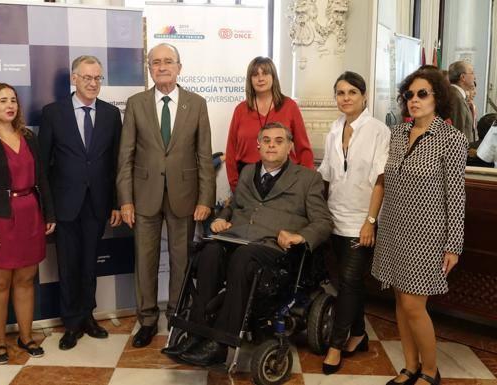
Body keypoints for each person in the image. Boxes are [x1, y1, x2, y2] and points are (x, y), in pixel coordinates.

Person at [162, 122, 332, 366]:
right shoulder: (247, 172)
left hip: (274, 249)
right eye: (267, 141)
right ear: (258, 145)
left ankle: (220, 343)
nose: (272, 145)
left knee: (244, 257)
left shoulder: (308, 179)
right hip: (238, 239)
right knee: (209, 251)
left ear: (290, 146)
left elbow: (323, 221)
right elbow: (233, 206)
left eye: (279, 141)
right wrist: (222, 218)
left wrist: (300, 236)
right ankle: (196, 332)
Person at [117, 43, 215, 348]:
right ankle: (147, 320)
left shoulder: (196, 104)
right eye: (156, 62)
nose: (162, 67)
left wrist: (205, 199)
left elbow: (204, 155)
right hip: (143, 197)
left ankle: (176, 316)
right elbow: (126, 155)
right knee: (144, 261)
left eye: (168, 62)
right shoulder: (136, 103)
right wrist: (125, 200)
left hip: (185, 196)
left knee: (181, 261)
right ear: (149, 68)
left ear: (179, 67)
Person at [372, 68, 467, 385]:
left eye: (422, 93)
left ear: (437, 97)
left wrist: (454, 244)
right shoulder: (398, 133)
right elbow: (387, 180)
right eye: (409, 94)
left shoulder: (451, 139)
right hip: (393, 229)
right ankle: (410, 366)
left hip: (427, 235)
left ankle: (430, 370)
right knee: (400, 301)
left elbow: (455, 195)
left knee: (414, 305)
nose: (414, 100)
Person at [39, 56, 122, 350]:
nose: (93, 83)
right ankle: (71, 324)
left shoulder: (112, 115)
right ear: (74, 79)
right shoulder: (53, 113)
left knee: (89, 265)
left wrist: (115, 203)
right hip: (65, 205)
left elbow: (116, 165)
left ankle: (88, 317)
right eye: (87, 77)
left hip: (97, 204)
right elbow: (43, 166)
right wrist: (48, 209)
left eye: (98, 78)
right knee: (68, 265)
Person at [0, 83, 56, 364]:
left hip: (30, 214)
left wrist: (50, 214)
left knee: (26, 280)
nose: (10, 105)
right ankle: (0, 342)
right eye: (3, 100)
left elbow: (43, 179)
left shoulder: (28, 136)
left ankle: (26, 336)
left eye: (13, 101)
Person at [318, 72, 390, 374]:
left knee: (348, 282)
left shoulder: (378, 131)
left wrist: (370, 221)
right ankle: (359, 333)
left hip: (361, 221)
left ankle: (336, 343)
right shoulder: (334, 130)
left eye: (351, 92)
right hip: (334, 218)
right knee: (349, 282)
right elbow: (326, 176)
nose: (345, 98)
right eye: (340, 93)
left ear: (364, 96)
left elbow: (380, 180)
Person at [225, 56, 314, 191]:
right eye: (255, 75)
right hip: (248, 179)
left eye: (265, 73)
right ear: (250, 80)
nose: (260, 78)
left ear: (273, 77)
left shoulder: (289, 106)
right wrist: (235, 186)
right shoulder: (240, 110)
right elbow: (231, 151)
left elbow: (304, 148)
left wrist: (306, 183)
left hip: (285, 177)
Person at [448, 60, 476, 142]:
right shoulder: (456, 97)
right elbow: (457, 130)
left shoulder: (458, 95)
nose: (474, 77)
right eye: (472, 73)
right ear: (463, 77)